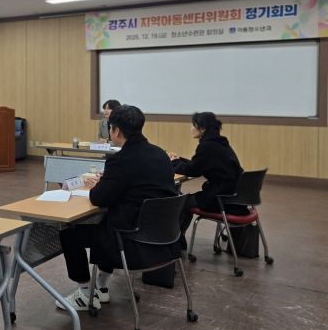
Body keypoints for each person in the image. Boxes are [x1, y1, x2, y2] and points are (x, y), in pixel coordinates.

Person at [57, 105, 178, 310]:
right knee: (105, 224)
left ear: (117, 131)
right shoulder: (160, 154)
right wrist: (110, 181)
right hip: (163, 239)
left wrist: (99, 185)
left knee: (69, 233)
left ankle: (85, 294)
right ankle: (101, 287)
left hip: (129, 241)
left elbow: (98, 198)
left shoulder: (120, 161)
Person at [169, 112, 244, 250]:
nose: (191, 128)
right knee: (186, 200)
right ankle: (178, 240)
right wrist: (179, 160)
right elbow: (199, 164)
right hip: (235, 197)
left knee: (182, 202)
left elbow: (193, 170)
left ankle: (176, 242)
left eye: (193, 125)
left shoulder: (207, 146)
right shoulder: (220, 143)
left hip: (221, 199)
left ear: (202, 128)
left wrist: (171, 163)